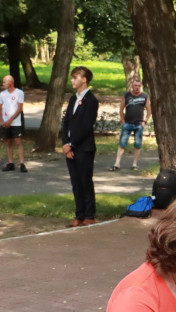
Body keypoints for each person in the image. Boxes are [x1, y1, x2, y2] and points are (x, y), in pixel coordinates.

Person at [61, 66, 99, 227]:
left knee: (85, 181)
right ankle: (79, 214)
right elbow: (67, 122)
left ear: (84, 79)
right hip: (70, 147)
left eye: (75, 77)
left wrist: (72, 144)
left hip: (83, 147)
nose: (72, 80)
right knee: (75, 182)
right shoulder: (72, 99)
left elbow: (85, 126)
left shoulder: (91, 100)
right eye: (72, 77)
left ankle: (89, 215)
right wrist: (65, 143)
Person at [110, 79, 151, 171]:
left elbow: (149, 111)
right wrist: (123, 121)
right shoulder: (127, 95)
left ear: (141, 86)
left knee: (137, 145)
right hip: (127, 123)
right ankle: (117, 164)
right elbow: (121, 109)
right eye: (135, 85)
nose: (137, 87)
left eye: (138, 86)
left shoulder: (144, 96)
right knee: (122, 143)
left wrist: (145, 121)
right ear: (132, 86)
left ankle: (134, 164)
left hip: (139, 124)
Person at [0, 75, 27, 173]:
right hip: (6, 122)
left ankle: (22, 163)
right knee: (8, 142)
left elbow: (19, 109)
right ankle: (10, 163)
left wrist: (10, 120)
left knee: (18, 142)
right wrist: (2, 121)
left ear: (10, 82)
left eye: (4, 82)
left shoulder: (19, 93)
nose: (3, 84)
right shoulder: (2, 94)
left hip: (16, 122)